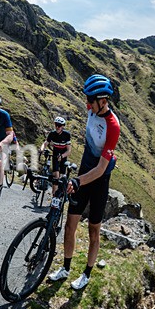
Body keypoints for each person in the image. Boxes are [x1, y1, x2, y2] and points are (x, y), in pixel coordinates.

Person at [49, 74, 120, 290]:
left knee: (93, 230)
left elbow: (100, 169)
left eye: (90, 100)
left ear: (103, 100)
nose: (86, 104)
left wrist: (79, 181)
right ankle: (65, 268)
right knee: (70, 225)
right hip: (83, 172)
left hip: (99, 179)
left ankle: (87, 274)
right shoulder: (92, 110)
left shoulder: (113, 126)